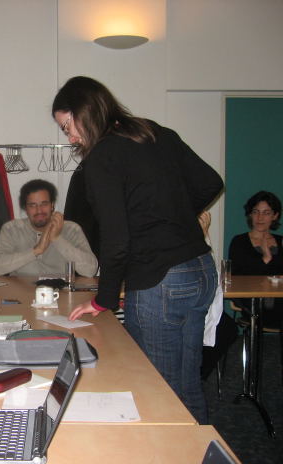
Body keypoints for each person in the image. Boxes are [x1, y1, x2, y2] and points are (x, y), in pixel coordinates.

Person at [59, 76, 223, 424]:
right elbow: (211, 182)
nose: (71, 138)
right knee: (187, 383)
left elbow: (115, 240)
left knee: (159, 390)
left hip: (160, 280)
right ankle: (196, 452)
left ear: (83, 112)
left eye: (67, 126)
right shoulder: (154, 131)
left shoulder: (102, 156)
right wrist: (176, 217)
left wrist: (103, 300)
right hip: (201, 271)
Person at [0, 179, 98, 278]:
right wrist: (36, 251)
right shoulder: (11, 229)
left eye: (44, 204)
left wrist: (57, 238)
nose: (39, 210)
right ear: (25, 208)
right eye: (32, 205)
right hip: (20, 292)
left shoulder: (71, 229)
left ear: (52, 205)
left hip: (60, 291)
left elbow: (90, 270)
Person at [228, 191, 283, 330]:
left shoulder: (281, 241)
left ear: (275, 216)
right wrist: (266, 258)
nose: (260, 217)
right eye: (255, 212)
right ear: (250, 214)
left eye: (266, 213)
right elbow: (238, 276)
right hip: (253, 302)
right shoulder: (239, 242)